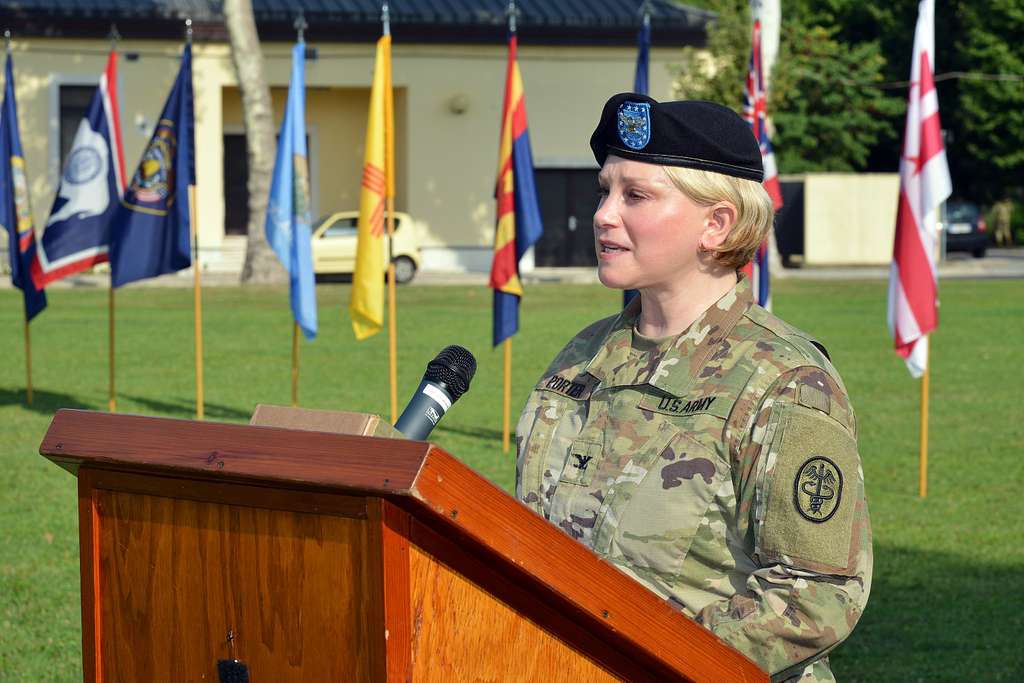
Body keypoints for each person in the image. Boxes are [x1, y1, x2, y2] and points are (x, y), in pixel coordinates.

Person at [515, 94, 871, 682]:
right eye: (606, 190)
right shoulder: (583, 356)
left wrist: (643, 663)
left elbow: (815, 598)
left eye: (637, 195)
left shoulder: (784, 382)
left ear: (717, 223)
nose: (604, 214)